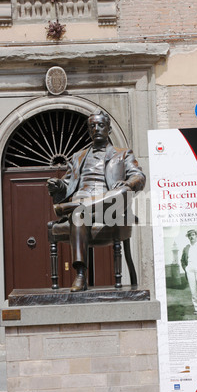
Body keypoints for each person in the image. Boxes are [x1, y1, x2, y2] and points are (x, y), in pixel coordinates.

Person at [47, 111, 146, 292]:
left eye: (101, 125)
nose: (97, 129)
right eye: (92, 126)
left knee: (123, 191)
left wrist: (128, 182)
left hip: (109, 208)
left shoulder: (123, 154)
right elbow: (68, 184)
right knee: (78, 214)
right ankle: (80, 275)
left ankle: (70, 208)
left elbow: (139, 176)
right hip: (82, 206)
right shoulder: (78, 156)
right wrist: (58, 185)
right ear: (89, 130)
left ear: (108, 128)